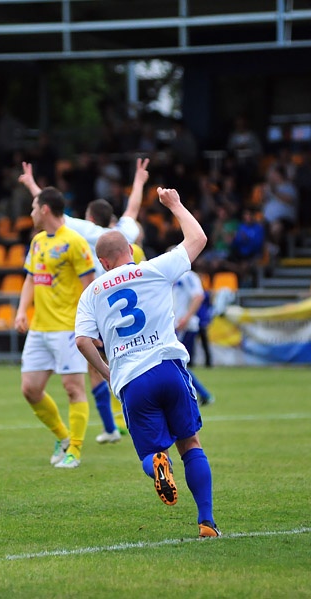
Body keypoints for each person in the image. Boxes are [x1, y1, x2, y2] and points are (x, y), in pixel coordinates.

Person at [74, 186, 220, 538]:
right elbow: (198, 238)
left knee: (152, 451)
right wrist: (175, 204)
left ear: (104, 262)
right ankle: (207, 522)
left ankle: (157, 464)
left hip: (131, 378)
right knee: (191, 443)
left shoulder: (92, 292)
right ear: (130, 251)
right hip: (168, 366)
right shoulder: (154, 268)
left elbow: (81, 340)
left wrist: (108, 372)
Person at [18, 158, 150, 444]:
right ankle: (121, 423)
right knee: (118, 365)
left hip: (94, 303)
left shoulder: (83, 232)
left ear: (90, 218)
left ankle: (111, 427)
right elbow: (133, 208)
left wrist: (31, 185)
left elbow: (50, 211)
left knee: (94, 371)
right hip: (125, 305)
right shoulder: (124, 233)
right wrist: (139, 181)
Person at [15, 186, 96, 469]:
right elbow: (30, 278)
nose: (31, 212)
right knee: (30, 389)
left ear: (45, 209)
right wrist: (21, 311)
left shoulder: (75, 242)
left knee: (73, 389)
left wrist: (90, 324)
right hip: (40, 328)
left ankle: (75, 450)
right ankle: (63, 437)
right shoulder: (37, 241)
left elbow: (89, 284)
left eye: (34, 207)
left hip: (67, 329)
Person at [172, 261, 215, 406]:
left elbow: (198, 296)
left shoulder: (188, 276)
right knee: (177, 364)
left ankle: (202, 395)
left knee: (177, 364)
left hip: (185, 326)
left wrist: (186, 318)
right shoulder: (172, 277)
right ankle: (201, 395)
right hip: (177, 325)